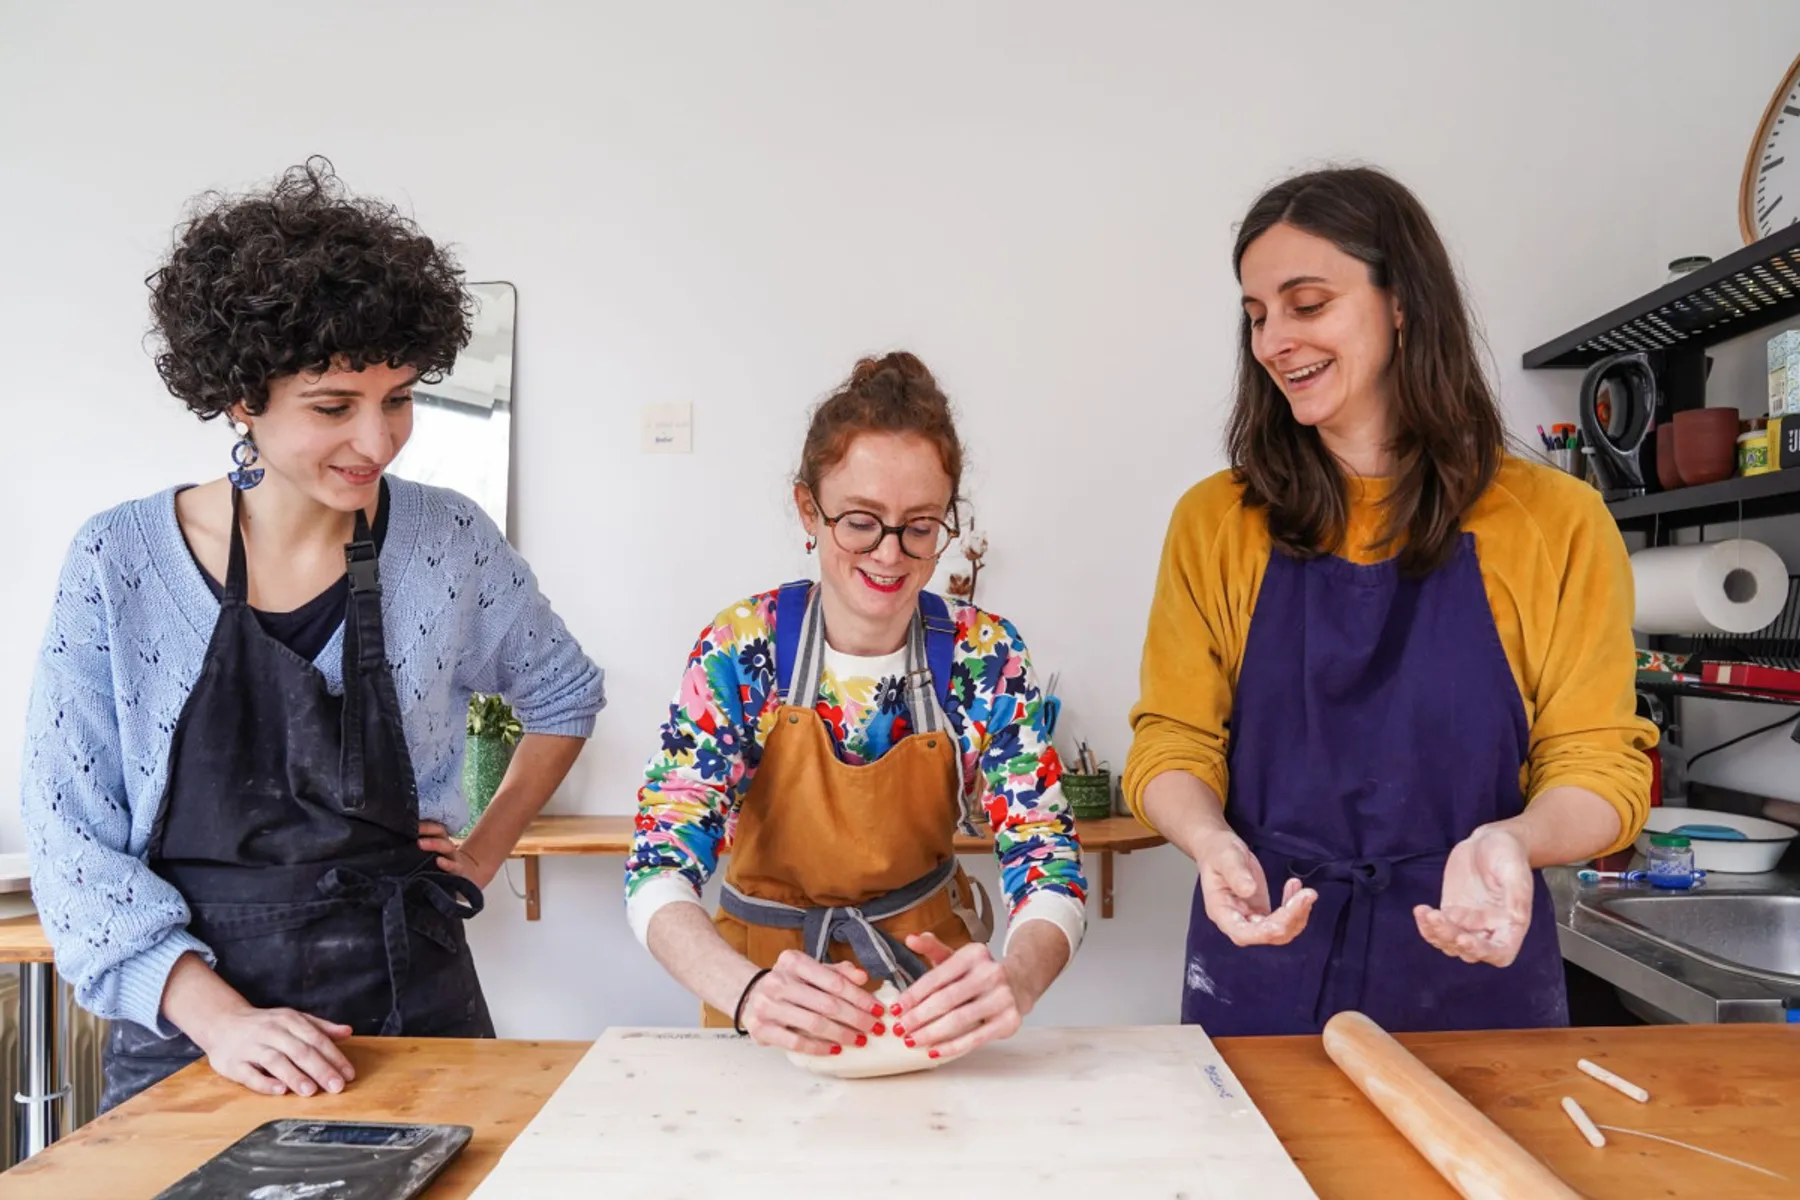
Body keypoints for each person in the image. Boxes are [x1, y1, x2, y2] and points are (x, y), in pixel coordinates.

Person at [20, 158, 606, 1109]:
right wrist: (220, 1019)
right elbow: (71, 840)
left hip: (416, 1009)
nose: (377, 443)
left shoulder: (446, 539)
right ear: (242, 397)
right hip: (194, 1040)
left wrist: (488, 846)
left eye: (401, 397)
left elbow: (565, 693)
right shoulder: (116, 562)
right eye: (334, 407)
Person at [1122, 166, 1656, 1037]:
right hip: (1265, 960)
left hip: (1471, 958)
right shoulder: (1216, 521)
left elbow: (1600, 767)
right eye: (1256, 315)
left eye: (1306, 303)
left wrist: (1513, 843)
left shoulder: (1556, 522)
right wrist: (1211, 842)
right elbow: (1173, 739)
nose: (1272, 341)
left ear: (1401, 302)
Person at [626, 351, 1085, 1059]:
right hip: (767, 989)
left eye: (921, 525)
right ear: (809, 508)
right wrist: (748, 993)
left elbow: (1046, 851)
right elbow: (658, 863)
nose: (891, 555)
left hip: (928, 998)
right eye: (862, 521)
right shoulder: (741, 650)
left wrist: (1016, 981)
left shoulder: (980, 655)